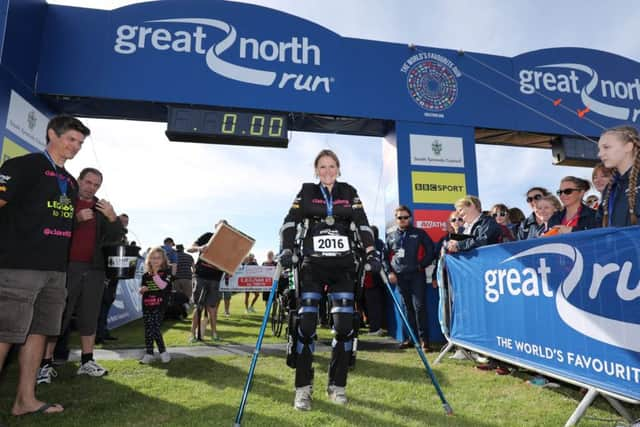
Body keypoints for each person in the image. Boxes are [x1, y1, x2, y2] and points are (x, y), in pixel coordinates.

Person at [0, 115, 90, 416]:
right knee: (5, 333)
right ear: (52, 134)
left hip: (55, 270)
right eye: (71, 139)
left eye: (79, 142)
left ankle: (25, 400)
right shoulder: (24, 166)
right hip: (19, 265)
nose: (75, 147)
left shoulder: (70, 182)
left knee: (39, 332)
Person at [279, 149, 381, 410]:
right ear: (316, 170)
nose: (327, 171)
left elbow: (362, 223)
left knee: (345, 327)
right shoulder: (306, 191)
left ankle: (337, 385)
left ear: (338, 168)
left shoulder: (349, 192)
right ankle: (303, 388)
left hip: (343, 267)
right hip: (312, 266)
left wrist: (371, 253)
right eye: (322, 167)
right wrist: (288, 249)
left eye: (332, 166)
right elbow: (290, 222)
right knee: (305, 326)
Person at [38, 167, 124, 384]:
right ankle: (44, 365)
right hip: (66, 267)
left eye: (96, 185)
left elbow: (117, 239)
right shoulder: (65, 200)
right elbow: (48, 228)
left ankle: (87, 361)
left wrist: (113, 218)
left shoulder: (101, 208)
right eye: (88, 182)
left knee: (89, 316)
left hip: (95, 270)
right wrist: (75, 219)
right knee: (58, 316)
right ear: (79, 180)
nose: (91, 187)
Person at [386, 205, 435, 351]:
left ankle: (424, 341)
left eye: (405, 217)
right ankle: (410, 338)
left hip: (416, 275)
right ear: (396, 219)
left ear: (410, 218)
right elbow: (384, 256)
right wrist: (390, 272)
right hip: (400, 277)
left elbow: (431, 251)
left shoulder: (419, 233)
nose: (402, 220)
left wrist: (421, 266)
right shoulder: (391, 236)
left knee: (419, 307)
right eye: (399, 217)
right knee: (407, 308)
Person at [96, 212, 131, 344]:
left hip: (115, 276)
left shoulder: (124, 236)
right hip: (105, 274)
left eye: (126, 222)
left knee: (107, 302)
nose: (124, 224)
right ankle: (98, 334)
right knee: (101, 304)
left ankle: (104, 332)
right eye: (121, 221)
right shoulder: (110, 234)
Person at [188, 222, 226, 342]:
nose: (222, 229)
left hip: (215, 279)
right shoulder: (208, 236)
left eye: (225, 227)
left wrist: (230, 269)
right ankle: (193, 334)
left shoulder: (227, 243)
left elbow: (232, 260)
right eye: (220, 226)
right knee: (198, 306)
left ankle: (214, 333)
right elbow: (190, 248)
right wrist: (200, 248)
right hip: (201, 276)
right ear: (215, 227)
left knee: (212, 308)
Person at [598, 125, 640, 226]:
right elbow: (597, 227)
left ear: (628, 147)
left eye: (606, 147)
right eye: (599, 149)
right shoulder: (610, 188)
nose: (600, 154)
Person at [139, 247, 173, 364]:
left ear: (163, 259)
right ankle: (149, 353)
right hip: (147, 305)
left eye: (158, 258)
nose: (155, 260)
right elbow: (144, 288)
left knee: (155, 328)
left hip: (159, 306)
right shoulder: (145, 275)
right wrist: (142, 289)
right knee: (148, 329)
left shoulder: (167, 272)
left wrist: (154, 273)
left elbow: (163, 286)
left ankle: (163, 351)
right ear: (149, 259)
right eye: (153, 258)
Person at [363, 226, 386, 335]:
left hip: (372, 280)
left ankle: (375, 328)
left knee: (373, 305)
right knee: (377, 304)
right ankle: (379, 325)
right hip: (380, 280)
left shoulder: (371, 246)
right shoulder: (381, 244)